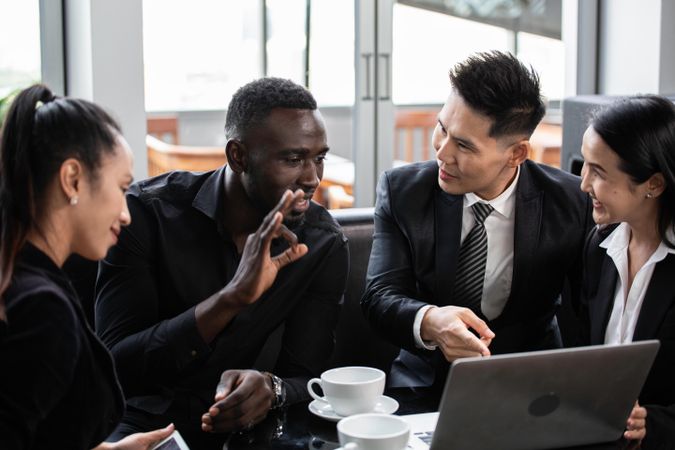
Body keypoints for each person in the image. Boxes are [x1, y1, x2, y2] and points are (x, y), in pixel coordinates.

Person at [94, 77, 349, 447]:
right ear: (238, 156)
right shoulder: (146, 215)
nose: (312, 179)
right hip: (137, 422)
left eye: (319, 158)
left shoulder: (322, 241)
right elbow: (116, 366)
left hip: (243, 432)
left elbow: (308, 376)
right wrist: (230, 298)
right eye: (293, 159)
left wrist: (271, 389)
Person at [362, 51, 592, 391]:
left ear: (516, 154)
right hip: (424, 388)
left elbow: (589, 312)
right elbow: (379, 296)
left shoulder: (573, 203)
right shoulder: (402, 192)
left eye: (464, 146)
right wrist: (430, 321)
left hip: (533, 387)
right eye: (442, 128)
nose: (442, 152)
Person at [0, 85, 173, 449]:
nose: (126, 214)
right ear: (73, 179)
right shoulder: (41, 310)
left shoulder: (21, 275)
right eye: (122, 188)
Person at [579, 95, 675, 447]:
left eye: (598, 172)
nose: (583, 184)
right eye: (585, 166)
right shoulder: (599, 245)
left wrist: (652, 424)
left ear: (654, 184)